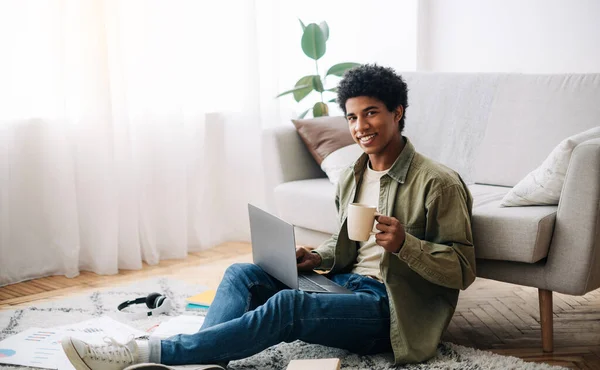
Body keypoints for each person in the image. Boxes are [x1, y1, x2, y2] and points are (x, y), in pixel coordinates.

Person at [61, 64, 476, 369]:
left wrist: (405, 244)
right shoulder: (355, 173)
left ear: (397, 112)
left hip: (387, 307)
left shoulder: (438, 183)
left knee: (287, 306)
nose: (360, 126)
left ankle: (146, 353)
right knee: (242, 274)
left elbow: (462, 270)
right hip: (344, 284)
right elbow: (350, 243)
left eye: (371, 113)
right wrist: (317, 258)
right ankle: (206, 361)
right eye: (352, 117)